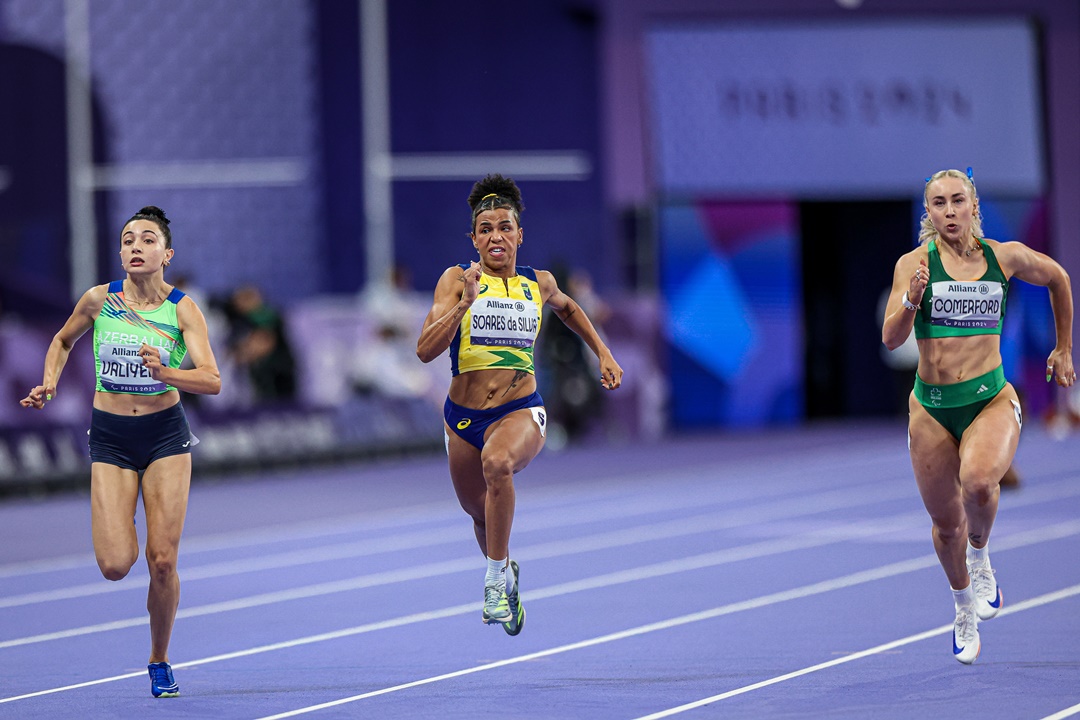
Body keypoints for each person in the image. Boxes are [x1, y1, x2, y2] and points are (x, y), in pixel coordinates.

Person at [20, 206, 221, 697]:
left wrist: (166, 373)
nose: (136, 247)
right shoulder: (98, 300)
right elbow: (62, 341)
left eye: (147, 240)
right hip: (111, 436)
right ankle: (124, 514)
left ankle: (159, 658)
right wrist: (49, 382)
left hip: (165, 435)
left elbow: (212, 379)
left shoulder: (183, 309)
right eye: (128, 239)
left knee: (162, 561)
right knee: (115, 564)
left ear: (166, 254)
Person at [882, 168, 1074, 664]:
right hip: (931, 409)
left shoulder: (1002, 257)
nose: (949, 211)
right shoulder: (913, 264)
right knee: (946, 526)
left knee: (981, 484)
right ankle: (963, 604)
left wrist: (1064, 347)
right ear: (928, 212)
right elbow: (891, 338)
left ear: (973, 205)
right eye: (939, 203)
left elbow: (1058, 277)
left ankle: (981, 554)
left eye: (957, 201)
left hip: (990, 399)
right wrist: (912, 300)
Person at [416, 174, 623, 635]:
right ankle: (507, 571)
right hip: (462, 418)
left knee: (498, 464)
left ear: (519, 235)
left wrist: (602, 352)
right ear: (474, 239)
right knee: (479, 514)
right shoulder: (456, 280)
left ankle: (493, 582)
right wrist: (464, 304)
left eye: (505, 227)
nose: (496, 236)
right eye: (485, 229)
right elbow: (425, 350)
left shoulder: (539, 282)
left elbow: (568, 308)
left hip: (520, 409)